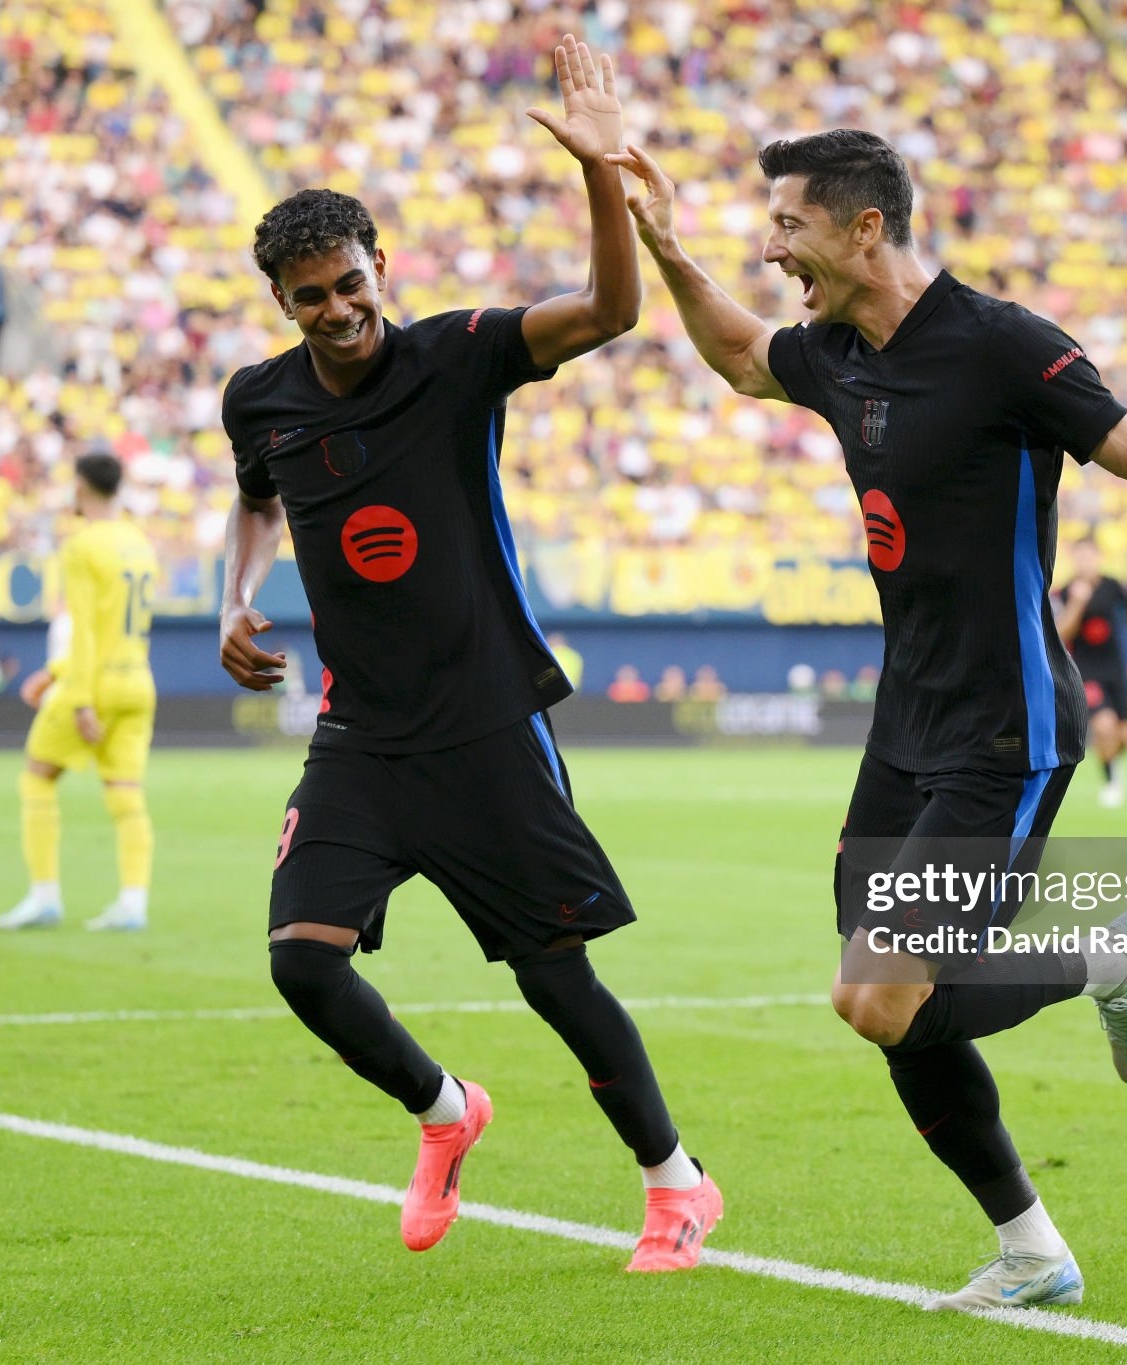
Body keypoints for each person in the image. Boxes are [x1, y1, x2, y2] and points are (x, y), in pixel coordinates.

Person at [608, 127, 1127, 1311]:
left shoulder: (1000, 347)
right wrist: (658, 238)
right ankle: (1032, 1251)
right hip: (902, 731)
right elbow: (732, 353)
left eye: (789, 226)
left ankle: (1102, 955)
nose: (771, 249)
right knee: (893, 1012)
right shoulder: (835, 352)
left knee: (874, 997)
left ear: (864, 227)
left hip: (1003, 732)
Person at [213, 36, 720, 1271]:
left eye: (349, 282)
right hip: (361, 736)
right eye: (309, 296)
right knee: (303, 969)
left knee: (555, 980)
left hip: (489, 722)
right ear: (280, 303)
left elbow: (609, 310)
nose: (337, 310)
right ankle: (447, 1112)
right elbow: (255, 498)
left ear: (380, 267)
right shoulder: (260, 399)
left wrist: (601, 171)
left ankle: (673, 1182)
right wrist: (233, 595)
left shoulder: (458, 354)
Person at [0, 451, 159, 933]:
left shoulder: (82, 545)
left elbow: (86, 630)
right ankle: (133, 903)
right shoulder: (139, 542)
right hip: (138, 681)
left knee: (37, 776)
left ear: (81, 487)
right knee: (126, 794)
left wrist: (79, 695)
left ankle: (44, 896)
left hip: (96, 683)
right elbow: (116, 630)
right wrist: (53, 671)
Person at [1055, 541, 1127, 808]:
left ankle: (1112, 761)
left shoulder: (1112, 586)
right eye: (1080, 557)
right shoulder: (1064, 592)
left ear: (1098, 558)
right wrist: (1077, 603)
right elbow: (1061, 635)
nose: (1085, 562)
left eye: (1090, 557)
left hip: (1114, 670)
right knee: (1104, 725)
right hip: (1085, 672)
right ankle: (1111, 783)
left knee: (1126, 736)